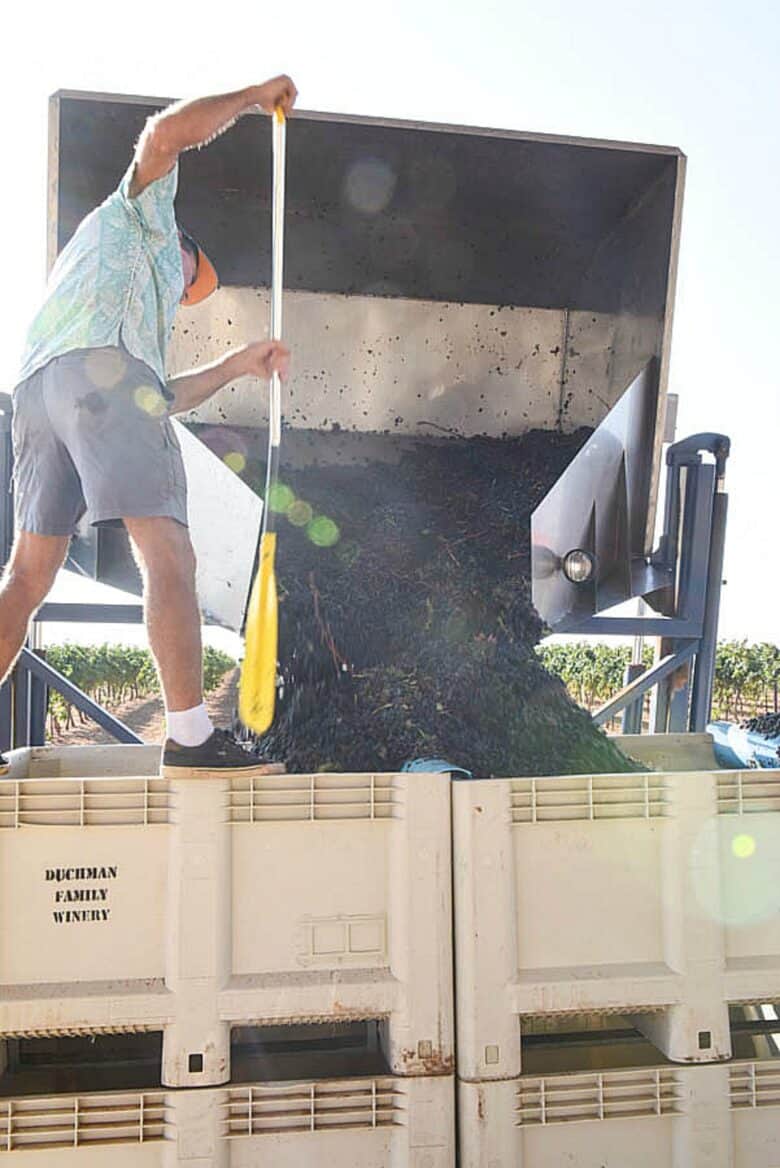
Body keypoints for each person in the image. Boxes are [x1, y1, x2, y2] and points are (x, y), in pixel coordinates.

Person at [0, 75, 298, 777]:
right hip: (101, 374)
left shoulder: (97, 272)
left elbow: (154, 398)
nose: (184, 294)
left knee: (27, 574)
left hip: (42, 389)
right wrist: (253, 97)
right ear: (183, 250)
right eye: (189, 280)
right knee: (170, 556)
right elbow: (163, 135)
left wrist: (238, 363)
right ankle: (192, 739)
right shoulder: (148, 217)